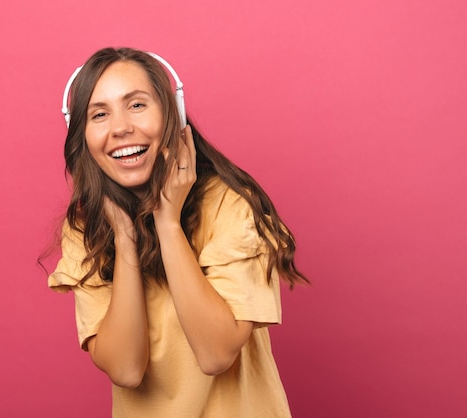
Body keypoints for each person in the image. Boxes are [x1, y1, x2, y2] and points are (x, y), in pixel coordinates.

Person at [45, 47, 309, 417]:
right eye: (100, 114)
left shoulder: (230, 205)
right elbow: (126, 369)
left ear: (174, 114)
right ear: (82, 136)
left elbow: (216, 354)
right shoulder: (87, 229)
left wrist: (167, 224)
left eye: (137, 105)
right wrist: (125, 238)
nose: (121, 127)